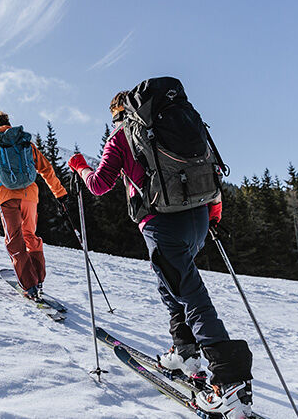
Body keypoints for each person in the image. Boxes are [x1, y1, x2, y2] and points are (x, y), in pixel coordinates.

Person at [67, 91, 254, 419]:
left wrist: (80, 166)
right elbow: (206, 168)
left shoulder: (122, 136)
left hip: (162, 225)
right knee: (172, 286)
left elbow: (99, 185)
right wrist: (213, 213)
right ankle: (185, 352)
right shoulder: (179, 124)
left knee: (190, 296)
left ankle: (230, 385)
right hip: (198, 217)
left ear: (117, 113)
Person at [0, 112, 68, 300]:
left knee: (14, 240)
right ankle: (38, 279)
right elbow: (47, 169)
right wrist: (60, 193)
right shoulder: (26, 144)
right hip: (30, 196)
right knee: (30, 236)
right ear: (10, 126)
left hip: (7, 197)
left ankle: (29, 286)